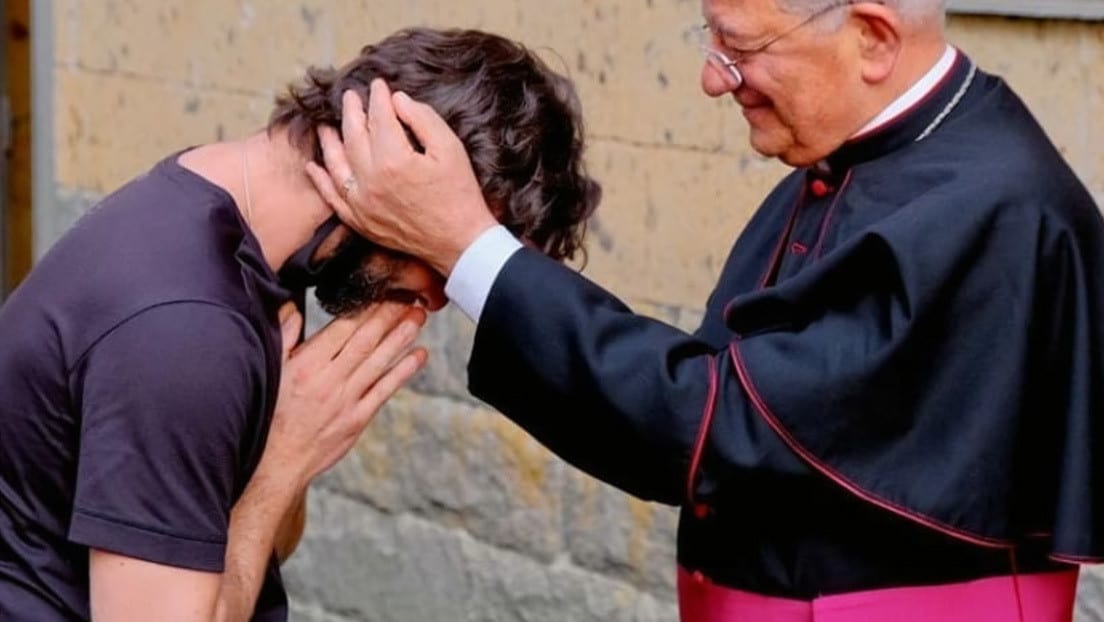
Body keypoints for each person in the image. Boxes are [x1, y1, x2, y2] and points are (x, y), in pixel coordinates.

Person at [309, 1, 1104, 620]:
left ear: (872, 39)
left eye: (740, 48)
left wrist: (468, 245)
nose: (715, 79)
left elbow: (719, 425)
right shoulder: (859, 160)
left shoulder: (996, 209)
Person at [0, 27, 598, 622]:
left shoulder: (258, 238)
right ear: (387, 174)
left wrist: (291, 455)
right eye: (444, 254)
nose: (439, 299)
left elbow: (260, 544)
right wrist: (284, 458)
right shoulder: (185, 330)